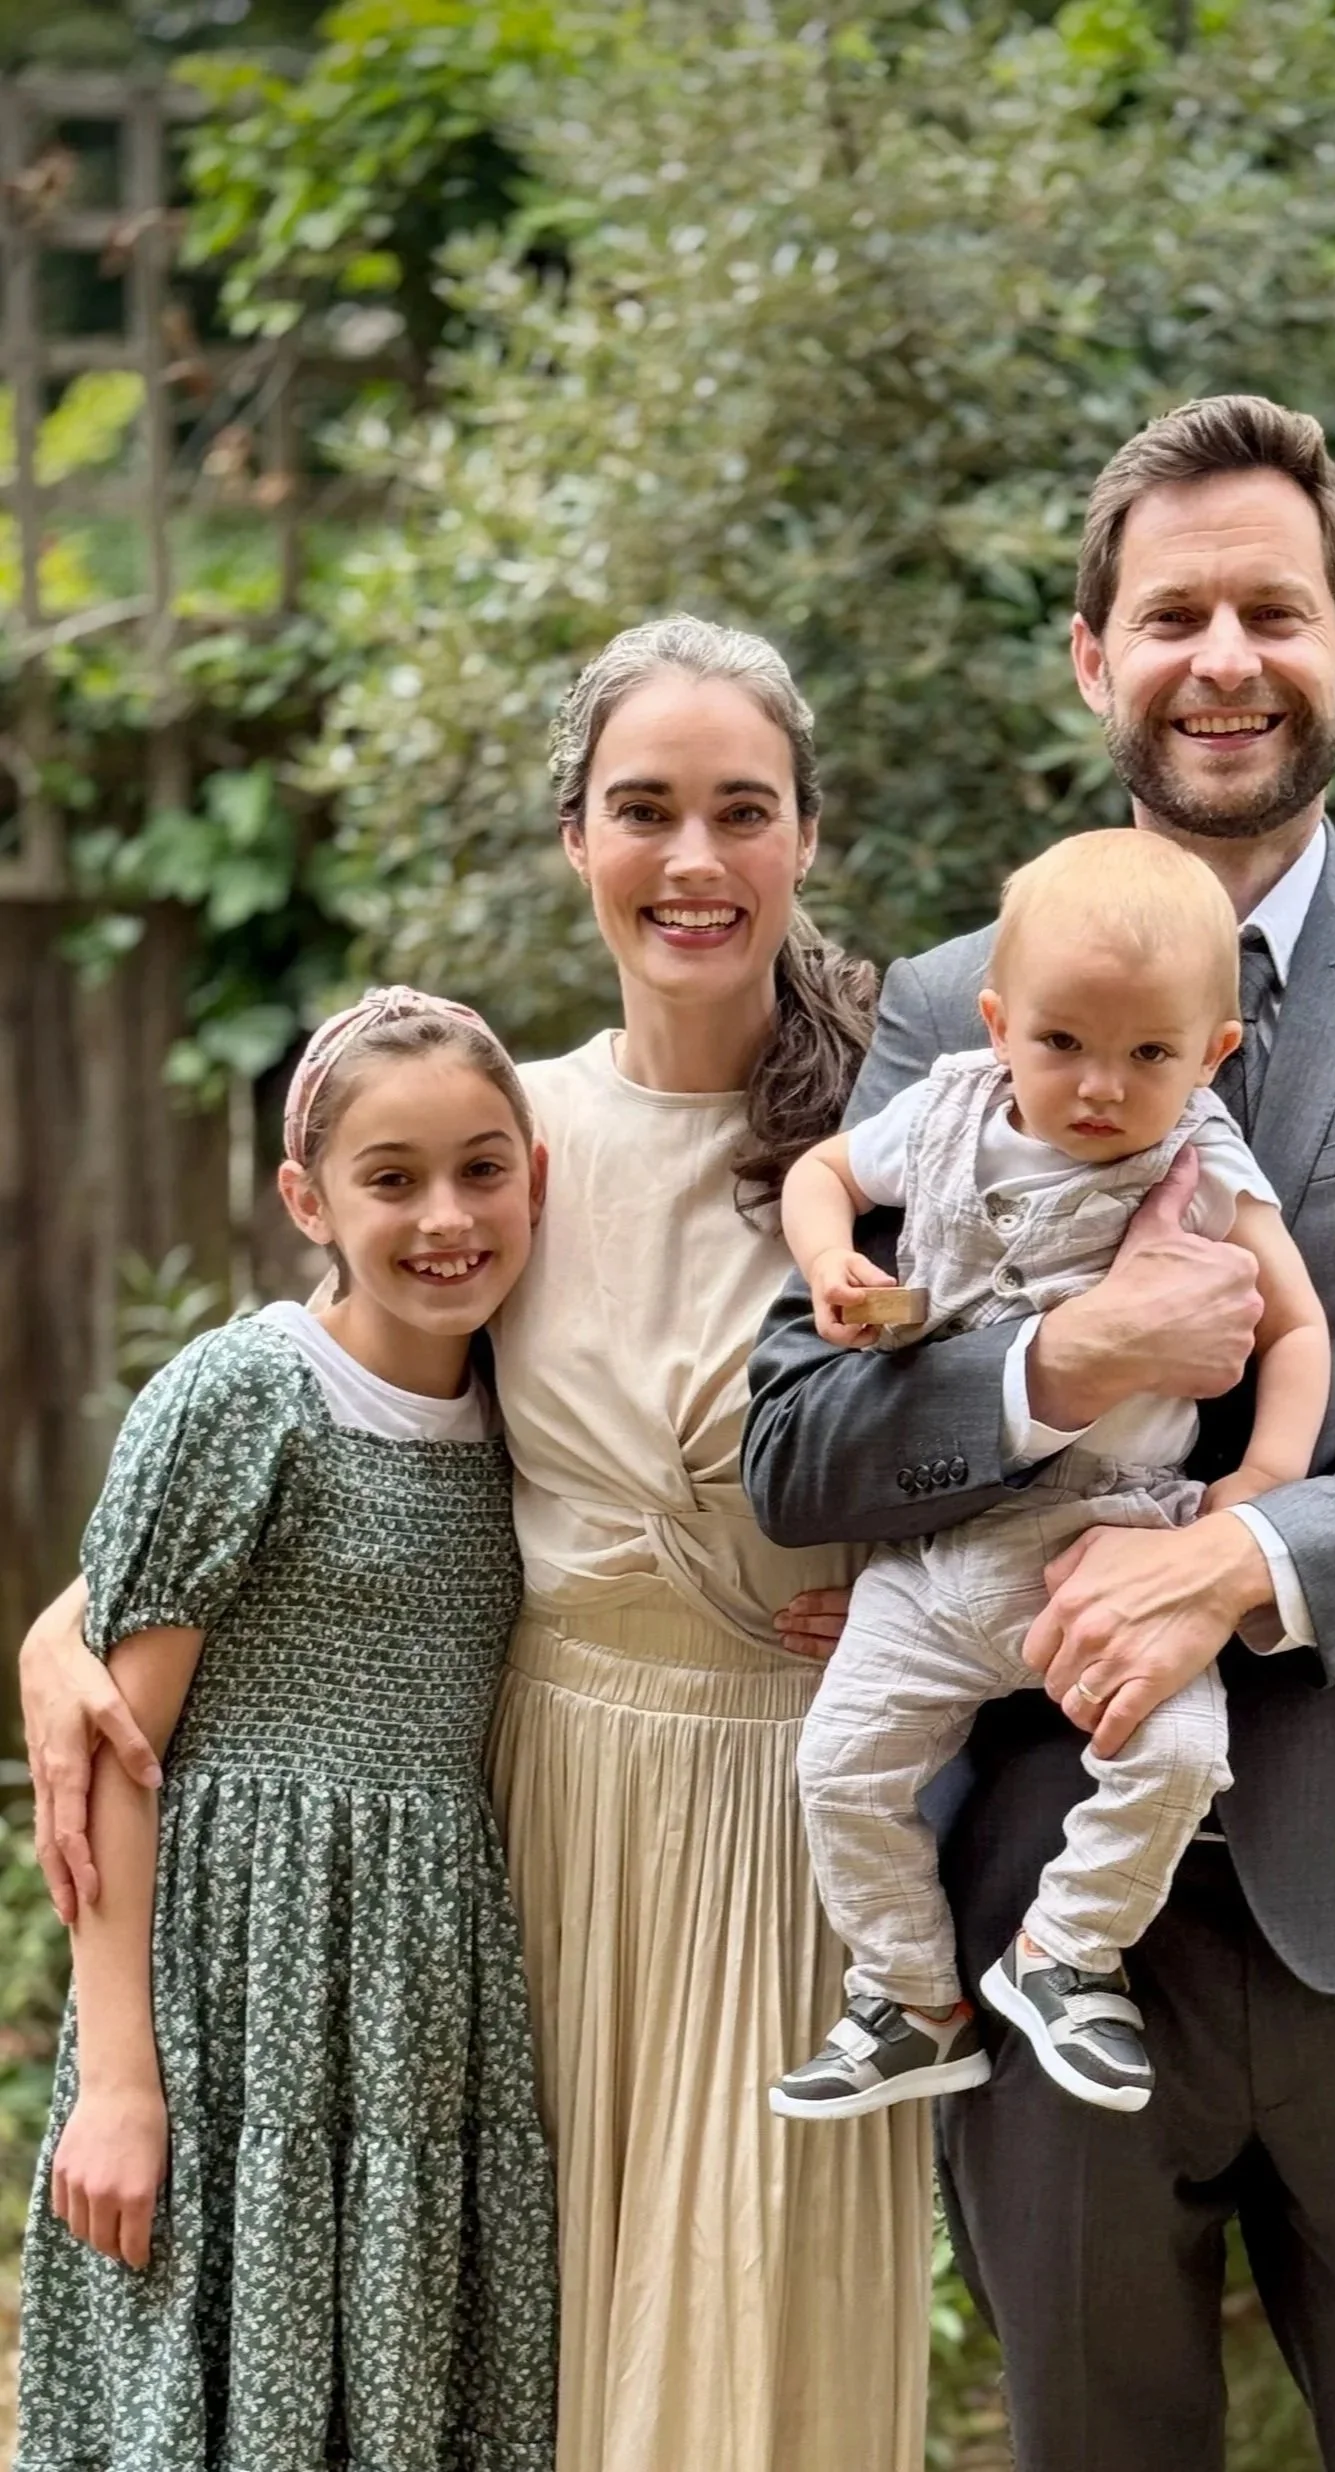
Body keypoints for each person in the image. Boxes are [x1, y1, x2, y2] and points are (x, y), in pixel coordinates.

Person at [743, 395, 1335, 2472]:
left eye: (1270, 608)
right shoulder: (954, 1010)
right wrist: (1058, 1365)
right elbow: (791, 1444)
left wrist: (1241, 1558)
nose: (1219, 657)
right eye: (1170, 615)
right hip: (1037, 1905)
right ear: (1094, 660)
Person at [19, 617, 934, 2472]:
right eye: (644, 810)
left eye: (740, 811)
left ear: (805, 839)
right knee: (518, 2368)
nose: (694, 860)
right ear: (574, 842)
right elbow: (305, 1448)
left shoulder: (901, 1141)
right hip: (531, 1835)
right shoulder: (513, 1141)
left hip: (799, 1818)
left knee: (757, 2362)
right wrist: (59, 1639)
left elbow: (1071, 1423)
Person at [14, 987, 557, 2472]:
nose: (444, 1217)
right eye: (391, 1179)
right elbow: (117, 1755)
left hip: (422, 1998)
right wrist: (122, 2074)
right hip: (226, 1984)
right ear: (308, 1197)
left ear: (536, 1174)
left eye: (479, 1169)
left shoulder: (534, 1404)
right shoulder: (247, 1391)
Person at [771, 830, 1328, 2121]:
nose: (1097, 1088)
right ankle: (908, 1998)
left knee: (1178, 1757)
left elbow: (1295, 1324)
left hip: (1117, 1550)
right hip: (939, 1552)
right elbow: (823, 1171)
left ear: (1211, 1055)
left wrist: (1266, 1476)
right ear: (998, 1022)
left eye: (1147, 1055)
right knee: (838, 1770)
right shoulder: (949, 1106)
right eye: (1062, 1043)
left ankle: (1065, 1954)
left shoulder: (1199, 1163)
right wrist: (830, 1263)